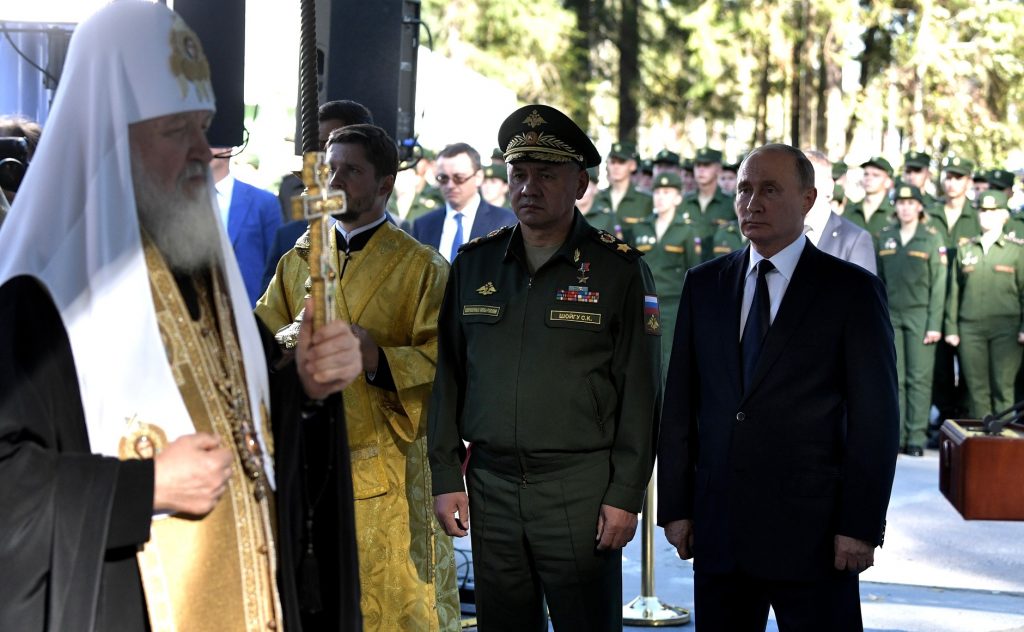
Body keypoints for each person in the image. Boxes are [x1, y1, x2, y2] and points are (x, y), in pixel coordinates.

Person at [0, 3, 363, 631]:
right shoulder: (39, 296)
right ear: (108, 135)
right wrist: (143, 490)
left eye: (203, 126)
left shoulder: (204, 275)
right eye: (176, 131)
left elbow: (252, 434)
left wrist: (305, 386)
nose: (203, 151)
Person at [428, 104, 661, 631]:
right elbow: (449, 377)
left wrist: (626, 495)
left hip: (578, 488)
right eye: (519, 174)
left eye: (546, 175)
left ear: (580, 183)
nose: (528, 188)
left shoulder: (618, 269)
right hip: (491, 484)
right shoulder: (475, 264)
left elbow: (641, 392)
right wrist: (445, 474)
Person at [658, 143, 899, 631]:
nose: (752, 203)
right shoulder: (705, 284)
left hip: (814, 535)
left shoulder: (850, 290)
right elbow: (681, 404)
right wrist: (677, 507)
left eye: (770, 190)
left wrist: (860, 525)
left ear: (808, 199)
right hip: (721, 530)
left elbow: (875, 419)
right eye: (744, 189)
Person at [257, 123, 460, 630]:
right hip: (307, 460)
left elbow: (447, 365)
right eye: (330, 168)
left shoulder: (422, 268)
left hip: (387, 475)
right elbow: (263, 343)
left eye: (351, 170)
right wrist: (290, 342)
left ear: (385, 184)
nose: (335, 179)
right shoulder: (298, 260)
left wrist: (376, 357)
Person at [262, 100, 376, 293]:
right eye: (316, 147)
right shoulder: (288, 238)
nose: (322, 158)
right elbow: (268, 309)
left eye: (332, 145)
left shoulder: (402, 250)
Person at [876, 185, 947, 456]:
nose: (905, 207)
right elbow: (878, 281)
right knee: (895, 377)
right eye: (901, 202)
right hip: (891, 314)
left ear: (919, 206)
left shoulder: (931, 238)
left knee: (919, 378)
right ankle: (897, 436)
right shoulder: (885, 236)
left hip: (921, 314)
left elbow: (939, 285)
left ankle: (916, 436)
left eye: (910, 202)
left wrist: (934, 324)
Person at [944, 190, 1024, 419]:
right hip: (970, 328)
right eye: (982, 210)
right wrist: (951, 328)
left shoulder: (1017, 250)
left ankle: (1004, 435)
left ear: (1004, 215)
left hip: (1006, 328)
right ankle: (983, 436)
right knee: (976, 389)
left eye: (993, 210)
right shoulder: (966, 249)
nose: (986, 215)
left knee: (1002, 386)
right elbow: (955, 291)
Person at [629, 171, 702, 374]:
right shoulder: (640, 227)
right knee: (643, 353)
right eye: (657, 192)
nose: (660, 197)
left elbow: (693, 270)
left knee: (668, 354)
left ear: (678, 198)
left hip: (672, 303)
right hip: (644, 300)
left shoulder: (687, 230)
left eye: (667, 192)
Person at [928, 155, 979, 438]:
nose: (951, 182)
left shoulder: (977, 215)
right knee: (939, 368)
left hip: (967, 300)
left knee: (970, 368)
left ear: (968, 181)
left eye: (958, 177)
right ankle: (945, 420)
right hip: (935, 300)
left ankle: (966, 421)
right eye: (948, 177)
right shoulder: (931, 213)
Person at [411, 142, 515, 262]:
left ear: (478, 177)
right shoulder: (423, 225)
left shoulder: (506, 222)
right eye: (443, 178)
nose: (450, 185)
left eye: (459, 178)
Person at [210, 146, 282, 305]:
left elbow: (277, 266)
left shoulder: (264, 202)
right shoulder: (183, 202)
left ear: (228, 147)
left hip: (252, 308)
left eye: (212, 141)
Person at [802, 150, 877, 274]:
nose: (801, 187)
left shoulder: (855, 239)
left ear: (829, 186)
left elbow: (864, 286)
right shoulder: (781, 232)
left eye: (809, 179)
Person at [678, 147, 734, 261]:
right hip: (689, 266)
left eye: (706, 165)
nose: (701, 170)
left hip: (720, 265)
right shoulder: (683, 202)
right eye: (698, 165)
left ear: (718, 169)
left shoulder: (731, 203)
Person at [592, 141, 653, 226]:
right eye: (613, 162)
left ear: (632, 165)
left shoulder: (646, 200)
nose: (616, 167)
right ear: (607, 165)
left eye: (621, 162)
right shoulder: (597, 197)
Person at [845, 156, 895, 241]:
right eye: (866, 174)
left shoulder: (895, 213)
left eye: (876, 175)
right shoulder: (849, 211)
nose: (869, 178)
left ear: (888, 181)